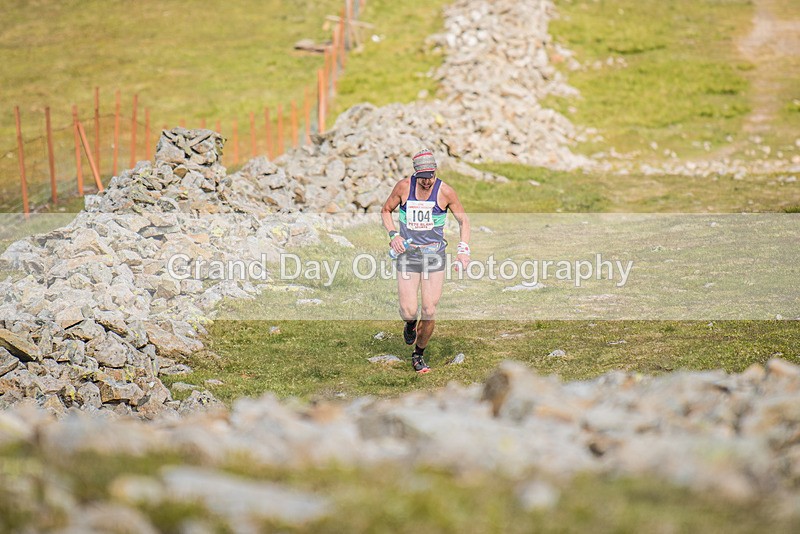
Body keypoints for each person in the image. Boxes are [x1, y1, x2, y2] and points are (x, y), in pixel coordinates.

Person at [381, 149, 470, 373]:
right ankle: (410, 324)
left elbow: (463, 220)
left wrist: (463, 250)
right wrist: (394, 235)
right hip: (409, 255)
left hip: (434, 255)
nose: (427, 181)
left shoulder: (445, 191)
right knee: (408, 310)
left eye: (431, 176)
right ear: (416, 174)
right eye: (423, 177)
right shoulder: (403, 187)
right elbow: (385, 211)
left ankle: (418, 355)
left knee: (429, 309)